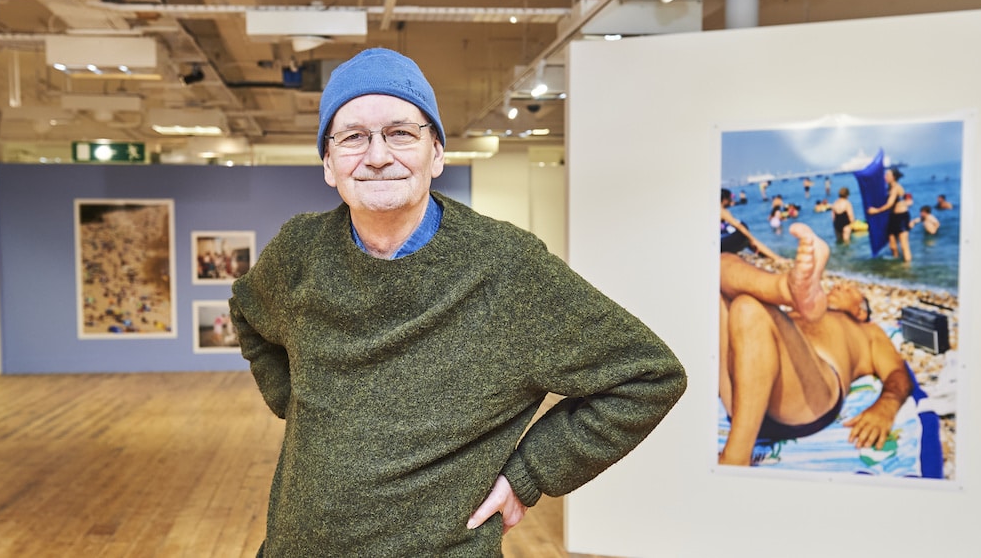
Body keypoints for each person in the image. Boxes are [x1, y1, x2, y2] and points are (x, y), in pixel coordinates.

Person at [229, 48, 687, 556]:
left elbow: (647, 375)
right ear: (328, 164)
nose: (377, 156)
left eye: (400, 133)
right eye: (353, 137)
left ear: (437, 154)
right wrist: (296, 403)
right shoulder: (298, 251)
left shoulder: (506, 267)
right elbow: (248, 312)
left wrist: (530, 475)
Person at [718, 223, 912, 466]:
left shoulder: (868, 331)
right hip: (742, 395)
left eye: (850, 290)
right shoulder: (801, 310)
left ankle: (736, 456)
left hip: (808, 399)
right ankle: (785, 289)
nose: (840, 286)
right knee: (721, 266)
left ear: (861, 312)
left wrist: (886, 405)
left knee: (748, 309)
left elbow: (897, 372)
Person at [721, 188, 783, 261]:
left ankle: (771, 257)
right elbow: (738, 225)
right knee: (747, 237)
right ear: (725, 200)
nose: (731, 200)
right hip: (722, 246)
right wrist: (751, 238)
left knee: (746, 238)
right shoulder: (721, 210)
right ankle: (777, 258)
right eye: (729, 198)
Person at [867, 168, 911, 262]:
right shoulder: (888, 188)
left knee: (904, 245)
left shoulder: (896, 187)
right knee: (892, 246)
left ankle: (907, 266)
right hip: (892, 217)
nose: (885, 177)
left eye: (887, 175)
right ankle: (896, 265)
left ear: (893, 177)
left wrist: (876, 211)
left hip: (901, 217)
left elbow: (890, 204)